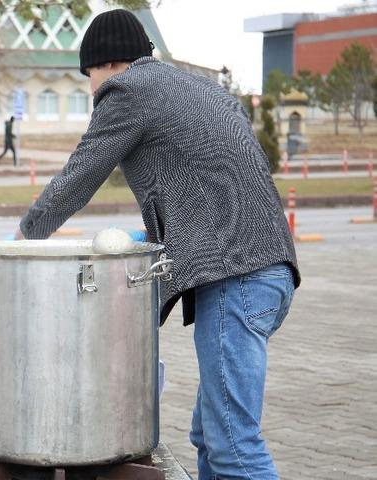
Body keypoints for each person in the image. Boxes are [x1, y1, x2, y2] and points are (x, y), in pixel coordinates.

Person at [17, 10, 299, 480]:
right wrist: (152, 235)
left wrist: (24, 238)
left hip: (237, 277)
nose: (91, 89)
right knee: (212, 436)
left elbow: (77, 179)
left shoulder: (128, 91)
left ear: (106, 64)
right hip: (270, 270)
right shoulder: (202, 89)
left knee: (233, 445)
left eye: (88, 75)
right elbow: (215, 184)